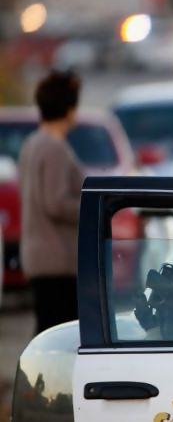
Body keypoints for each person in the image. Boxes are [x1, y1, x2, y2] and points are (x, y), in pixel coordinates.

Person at [19, 70, 85, 335]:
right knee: (59, 336)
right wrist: (92, 209)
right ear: (69, 108)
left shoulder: (32, 144)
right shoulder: (54, 148)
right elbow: (56, 202)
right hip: (57, 259)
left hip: (38, 257)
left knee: (45, 331)